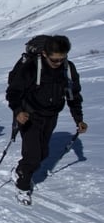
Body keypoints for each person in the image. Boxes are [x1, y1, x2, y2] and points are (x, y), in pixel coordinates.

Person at [6, 35, 87, 205]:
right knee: (33, 155)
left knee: (43, 153)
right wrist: (18, 111)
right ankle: (23, 185)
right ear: (44, 54)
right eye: (54, 59)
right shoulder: (30, 68)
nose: (58, 63)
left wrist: (78, 119)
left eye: (62, 59)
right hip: (29, 115)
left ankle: (20, 169)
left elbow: (73, 96)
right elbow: (13, 92)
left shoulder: (68, 69)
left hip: (51, 116)